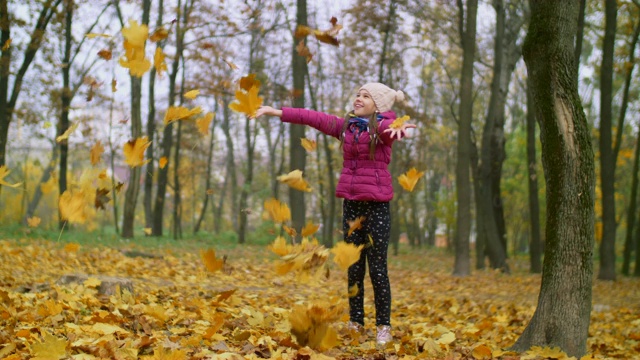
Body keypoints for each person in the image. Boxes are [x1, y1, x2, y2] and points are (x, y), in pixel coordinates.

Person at [254, 82, 415, 346]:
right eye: (358, 94)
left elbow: (390, 130)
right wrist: (276, 112)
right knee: (353, 266)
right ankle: (356, 321)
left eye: (366, 96)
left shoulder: (381, 128)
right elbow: (313, 118)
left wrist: (400, 130)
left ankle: (383, 326)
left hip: (376, 207)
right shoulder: (347, 128)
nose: (359, 98)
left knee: (377, 268)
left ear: (379, 104)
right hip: (351, 205)